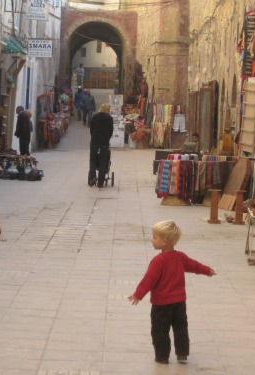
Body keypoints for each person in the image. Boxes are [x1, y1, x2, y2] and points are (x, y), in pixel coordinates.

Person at [128, 220, 216, 365]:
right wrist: (207, 270)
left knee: (160, 330)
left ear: (165, 242)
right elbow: (194, 265)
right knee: (181, 327)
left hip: (161, 305)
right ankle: (182, 353)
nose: (152, 240)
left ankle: (162, 357)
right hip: (179, 303)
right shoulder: (180, 257)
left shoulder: (158, 261)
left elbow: (149, 279)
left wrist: (138, 294)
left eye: (155, 237)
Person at [88, 103, 113, 187]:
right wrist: (107, 138)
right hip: (104, 142)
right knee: (103, 160)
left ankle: (93, 177)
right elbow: (110, 131)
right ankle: (100, 182)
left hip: (95, 140)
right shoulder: (109, 118)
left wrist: (94, 136)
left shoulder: (95, 117)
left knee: (92, 159)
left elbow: (91, 129)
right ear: (107, 110)